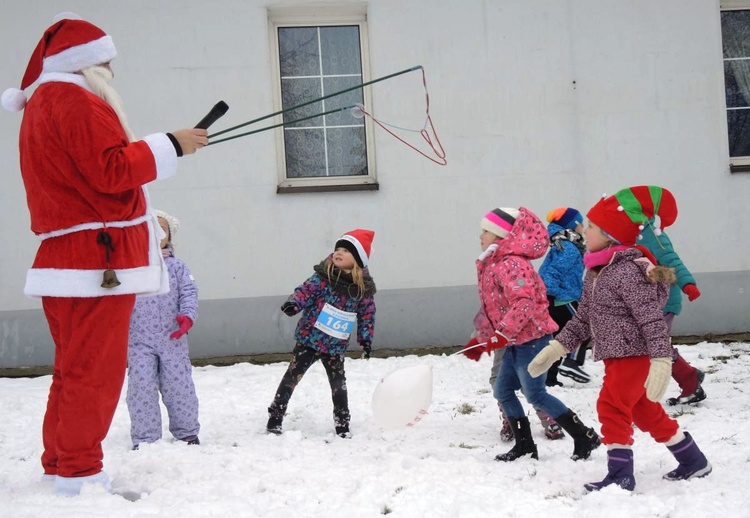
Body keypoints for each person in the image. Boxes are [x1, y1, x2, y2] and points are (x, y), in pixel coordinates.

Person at [2, 15, 208, 496]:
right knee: (95, 370)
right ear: (86, 62)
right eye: (107, 60)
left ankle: (60, 459)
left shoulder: (42, 104)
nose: (112, 69)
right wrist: (172, 144)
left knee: (72, 366)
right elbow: (111, 169)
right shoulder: (76, 100)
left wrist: (167, 148)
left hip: (65, 258)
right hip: (97, 262)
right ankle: (78, 472)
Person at [529, 186, 712, 492]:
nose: (584, 230)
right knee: (645, 411)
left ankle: (620, 474)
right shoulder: (596, 272)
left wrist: (661, 359)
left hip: (633, 355)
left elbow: (651, 319)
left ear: (611, 235)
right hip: (615, 356)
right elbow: (584, 318)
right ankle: (693, 460)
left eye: (591, 226)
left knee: (611, 407)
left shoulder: (628, 272)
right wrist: (558, 347)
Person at [462, 207, 600, 462]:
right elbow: (495, 306)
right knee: (502, 390)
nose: (480, 236)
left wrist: (502, 335)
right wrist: (481, 338)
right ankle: (525, 445)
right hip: (515, 341)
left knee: (535, 393)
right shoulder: (494, 263)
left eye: (486, 231)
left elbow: (523, 304)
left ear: (501, 235)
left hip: (533, 340)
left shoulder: (512, 264)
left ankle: (584, 435)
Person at [267, 229, 376, 438]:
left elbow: (367, 315)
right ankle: (276, 415)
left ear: (358, 260)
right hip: (309, 338)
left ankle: (342, 422)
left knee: (339, 385)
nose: (339, 252)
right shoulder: (323, 277)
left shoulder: (362, 288)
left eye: (346, 250)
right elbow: (305, 291)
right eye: (338, 249)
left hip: (335, 346)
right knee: (292, 377)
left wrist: (366, 340)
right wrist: (293, 304)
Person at [127, 210, 200, 449]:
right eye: (151, 229)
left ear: (169, 236)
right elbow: (120, 300)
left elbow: (189, 292)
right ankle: (145, 438)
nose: (157, 235)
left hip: (173, 338)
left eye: (162, 230)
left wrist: (187, 317)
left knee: (179, 386)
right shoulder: (132, 269)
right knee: (141, 387)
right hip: (139, 340)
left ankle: (187, 432)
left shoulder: (178, 267)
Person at [639, 217, 706, 405]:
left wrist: (688, 283)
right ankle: (689, 377)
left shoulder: (652, 235)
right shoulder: (627, 235)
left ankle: (688, 378)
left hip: (663, 301)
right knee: (649, 346)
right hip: (645, 302)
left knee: (653, 346)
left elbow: (672, 259)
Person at [538, 207, 591, 385]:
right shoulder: (569, 248)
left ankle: (549, 379)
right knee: (584, 326)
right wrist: (562, 293)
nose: (583, 227)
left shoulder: (563, 244)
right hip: (563, 299)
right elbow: (549, 277)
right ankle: (571, 362)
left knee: (560, 340)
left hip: (561, 298)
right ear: (573, 225)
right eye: (581, 223)